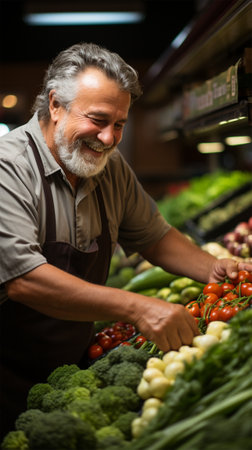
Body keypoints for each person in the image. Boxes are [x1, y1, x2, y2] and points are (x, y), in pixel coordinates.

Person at [0, 42, 251, 437]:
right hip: (7, 375)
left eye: (119, 124)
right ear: (54, 105)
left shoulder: (109, 168)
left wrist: (214, 268)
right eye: (98, 119)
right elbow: (23, 278)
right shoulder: (8, 168)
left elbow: (154, 237)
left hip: (70, 366)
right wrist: (139, 308)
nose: (108, 137)